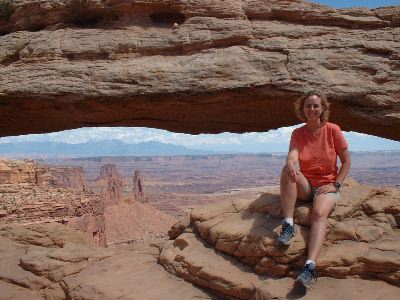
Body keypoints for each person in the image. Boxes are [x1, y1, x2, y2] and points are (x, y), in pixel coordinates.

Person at [277, 90, 351, 288]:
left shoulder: (332, 130)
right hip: (307, 185)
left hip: (327, 184)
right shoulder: (298, 133)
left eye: (315, 105)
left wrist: (336, 184)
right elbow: (293, 155)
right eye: (308, 105)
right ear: (302, 109)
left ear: (322, 108)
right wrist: (291, 163)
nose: (311, 109)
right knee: (287, 170)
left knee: (318, 213)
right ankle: (288, 223)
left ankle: (310, 267)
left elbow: (346, 162)